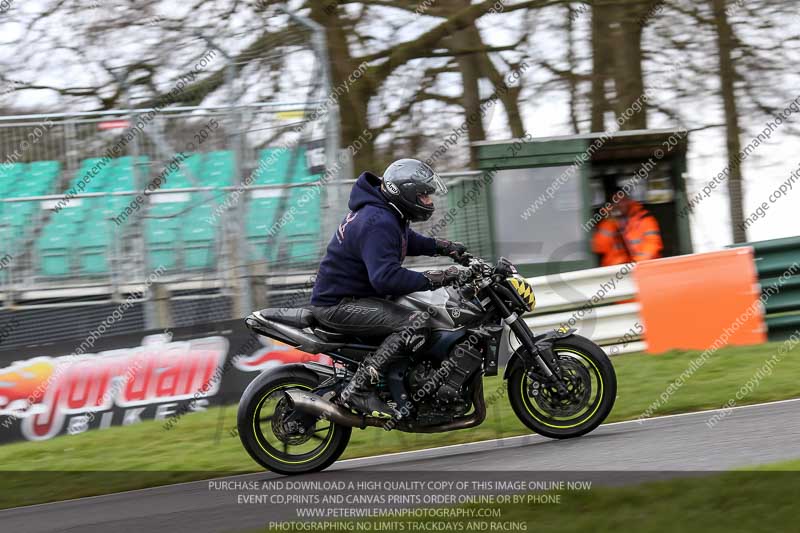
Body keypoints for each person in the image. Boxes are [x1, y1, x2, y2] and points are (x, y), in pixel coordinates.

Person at [309, 159, 468, 419]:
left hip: (354, 297)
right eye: (424, 196)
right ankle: (359, 389)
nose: (429, 201)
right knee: (416, 323)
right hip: (339, 305)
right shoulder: (378, 220)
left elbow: (406, 241)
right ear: (405, 193)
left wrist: (444, 247)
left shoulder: (387, 213)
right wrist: (437, 277)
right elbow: (385, 278)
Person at [591, 183, 663, 266]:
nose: (620, 204)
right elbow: (600, 247)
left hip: (643, 267)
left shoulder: (645, 219)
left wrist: (635, 265)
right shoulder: (608, 223)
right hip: (615, 272)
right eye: (616, 201)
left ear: (629, 200)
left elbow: (652, 245)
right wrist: (609, 221)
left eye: (622, 200)